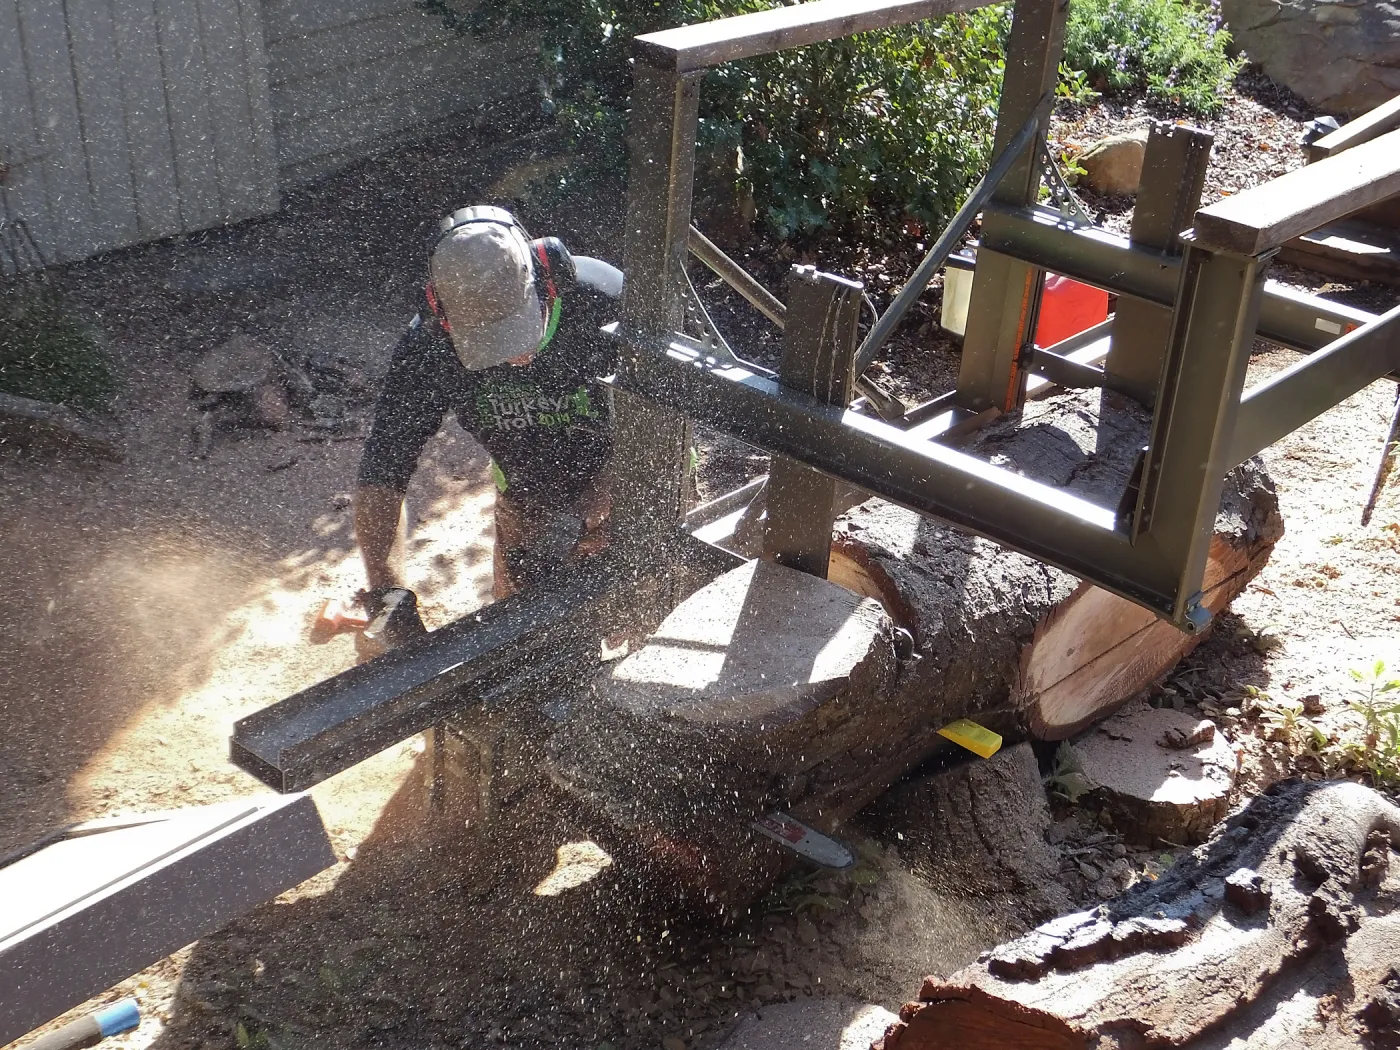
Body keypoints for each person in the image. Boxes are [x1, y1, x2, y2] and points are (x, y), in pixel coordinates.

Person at [353, 206, 624, 615]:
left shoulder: (606, 303)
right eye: (491, 341)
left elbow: (671, 417)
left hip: (637, 475)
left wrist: (614, 489)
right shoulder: (428, 346)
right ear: (441, 314)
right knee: (523, 628)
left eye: (520, 328)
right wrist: (385, 596)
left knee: (654, 613)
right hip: (526, 493)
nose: (515, 355)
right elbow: (384, 468)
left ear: (548, 275)